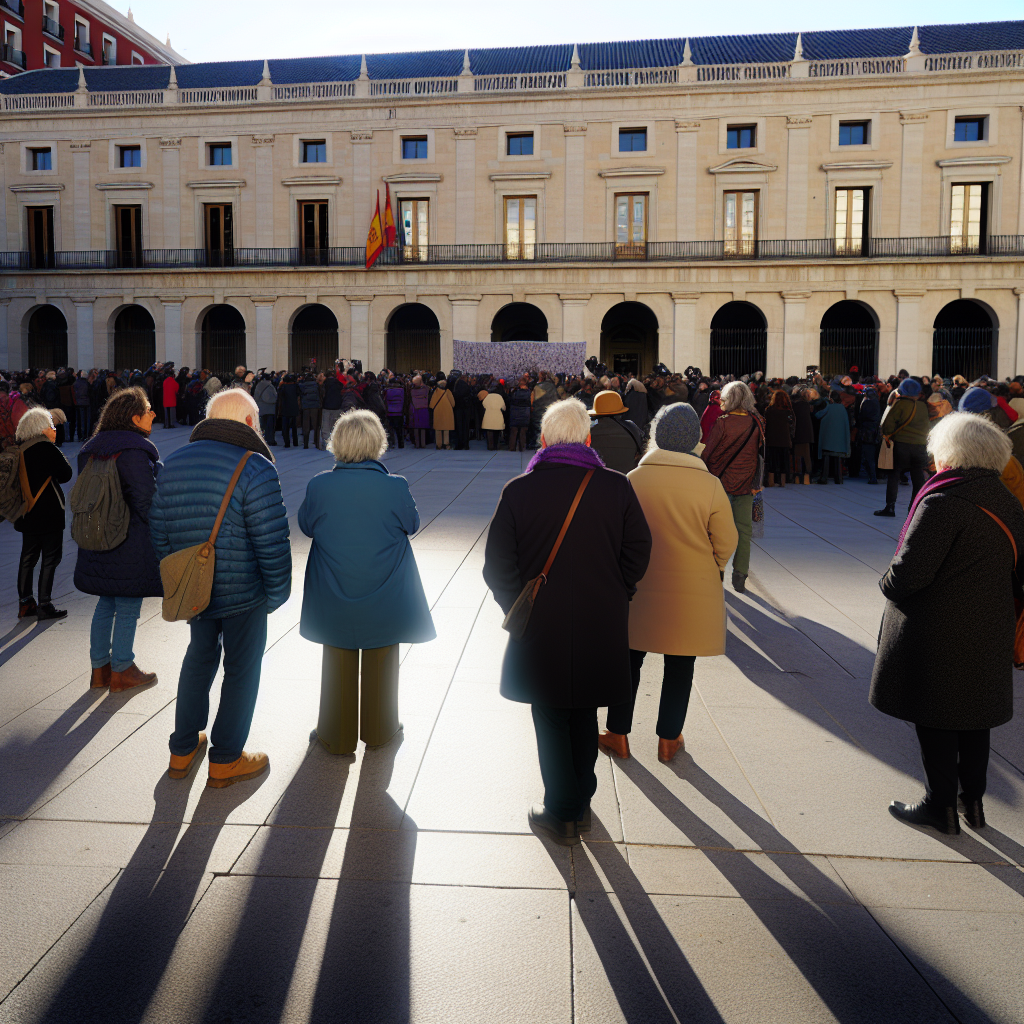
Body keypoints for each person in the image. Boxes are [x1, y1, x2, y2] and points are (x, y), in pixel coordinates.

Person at [482, 399, 652, 846]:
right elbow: (639, 549)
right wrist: (618, 591)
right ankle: (579, 802)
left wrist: (518, 604)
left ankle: (561, 810)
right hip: (601, 619)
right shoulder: (615, 486)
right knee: (584, 711)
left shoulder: (519, 490)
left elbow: (497, 565)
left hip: (542, 624)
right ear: (588, 439)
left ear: (543, 439)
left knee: (551, 713)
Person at [871, 413, 1024, 835]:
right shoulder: (1007, 500)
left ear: (951, 453)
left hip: (940, 629)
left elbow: (908, 575)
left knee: (936, 717)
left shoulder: (943, 501)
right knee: (974, 717)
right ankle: (972, 803)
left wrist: (885, 581)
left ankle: (939, 807)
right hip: (989, 625)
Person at [150, 388, 291, 788]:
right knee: (241, 669)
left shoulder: (174, 461)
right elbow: (271, 541)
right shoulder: (256, 465)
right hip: (243, 592)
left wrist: (182, 577)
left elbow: (158, 529)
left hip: (195, 590)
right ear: (248, 422)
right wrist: (276, 593)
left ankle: (182, 748)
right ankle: (226, 758)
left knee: (198, 658)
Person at [600, 404, 737, 764]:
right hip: (690, 591)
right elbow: (726, 540)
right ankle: (668, 740)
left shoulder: (634, 479)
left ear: (656, 435)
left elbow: (616, 533)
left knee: (629, 660)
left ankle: (617, 734)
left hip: (639, 586)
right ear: (695, 440)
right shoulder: (710, 484)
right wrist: (712, 567)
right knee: (680, 666)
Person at [299, 410, 435, 755]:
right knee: (382, 654)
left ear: (337, 443)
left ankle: (336, 734)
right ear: (377, 443)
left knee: (338, 656)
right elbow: (412, 524)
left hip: (334, 586)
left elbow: (306, 525)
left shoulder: (319, 484)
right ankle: (380, 730)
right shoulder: (395, 485)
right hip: (385, 588)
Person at [74, 387, 162, 694]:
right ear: (134, 418)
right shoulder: (134, 451)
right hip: (128, 540)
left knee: (106, 602)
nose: (153, 414)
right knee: (127, 605)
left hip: (97, 536)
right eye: (148, 410)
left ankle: (100, 670)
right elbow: (146, 500)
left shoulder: (90, 449)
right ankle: (123, 670)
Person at [702, 381, 764, 594]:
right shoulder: (756, 422)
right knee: (744, 531)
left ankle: (716, 572)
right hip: (746, 484)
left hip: (721, 483)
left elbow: (708, 452)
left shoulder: (723, 423)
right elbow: (760, 453)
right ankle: (740, 574)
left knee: (714, 530)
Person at [14, 408, 73, 620]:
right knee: (50, 558)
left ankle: (25, 603)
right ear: (41, 429)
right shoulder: (47, 448)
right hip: (49, 512)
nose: (55, 430)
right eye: (51, 426)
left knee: (27, 558)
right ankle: (45, 604)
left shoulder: (20, 449)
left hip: (26, 512)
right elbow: (66, 474)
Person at [875, 378, 931, 518]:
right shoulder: (923, 406)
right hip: (920, 446)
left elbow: (887, 426)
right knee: (917, 478)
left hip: (901, 445)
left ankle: (890, 507)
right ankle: (914, 510)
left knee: (894, 475)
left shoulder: (900, 404)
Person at [587, 390, 644, 474]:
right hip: (627, 478)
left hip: (596, 479)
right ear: (620, 412)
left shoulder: (588, 432)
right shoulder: (632, 428)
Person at [815, 390, 852, 485]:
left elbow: (818, 415)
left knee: (826, 459)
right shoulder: (842, 408)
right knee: (838, 459)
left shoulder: (829, 407)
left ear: (831, 398)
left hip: (827, 439)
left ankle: (824, 478)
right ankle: (839, 479)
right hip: (839, 441)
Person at [763, 389, 794, 486]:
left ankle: (771, 481)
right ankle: (782, 482)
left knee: (772, 461)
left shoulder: (769, 410)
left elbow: (765, 425)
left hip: (771, 439)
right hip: (784, 440)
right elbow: (792, 424)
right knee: (783, 462)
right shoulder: (788, 412)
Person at [298, 372, 323, 450]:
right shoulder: (316, 385)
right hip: (315, 406)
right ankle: (316, 443)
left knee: (306, 425)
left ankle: (306, 444)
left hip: (306, 407)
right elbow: (320, 394)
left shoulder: (302, 386)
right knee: (315, 425)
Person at [253, 373, 278, 446]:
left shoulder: (257, 386)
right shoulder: (270, 386)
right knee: (269, 426)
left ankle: (262, 440)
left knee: (262, 426)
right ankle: (270, 440)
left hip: (260, 409)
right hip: (269, 409)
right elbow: (271, 398)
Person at [507, 376, 532, 452]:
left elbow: (510, 400)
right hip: (525, 414)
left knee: (513, 432)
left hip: (514, 414)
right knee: (523, 433)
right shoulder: (529, 393)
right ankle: (522, 448)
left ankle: (512, 448)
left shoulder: (514, 392)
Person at [429, 379, 455, 450]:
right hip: (447, 411)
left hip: (437, 412)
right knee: (446, 428)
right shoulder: (448, 392)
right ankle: (446, 444)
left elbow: (431, 404)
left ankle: (438, 444)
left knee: (438, 429)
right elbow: (453, 403)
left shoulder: (436, 392)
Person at [277, 373, 300, 448]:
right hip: (294, 408)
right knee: (294, 427)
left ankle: (287, 443)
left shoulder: (283, 387)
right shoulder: (296, 386)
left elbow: (279, 395)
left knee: (285, 427)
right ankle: (295, 442)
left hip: (285, 408)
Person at [481, 385, 506, 450]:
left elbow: (484, 405)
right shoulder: (500, 397)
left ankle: (490, 446)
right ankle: (496, 445)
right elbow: (504, 407)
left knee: (489, 432)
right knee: (497, 432)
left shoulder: (487, 397)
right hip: (498, 415)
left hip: (488, 415)